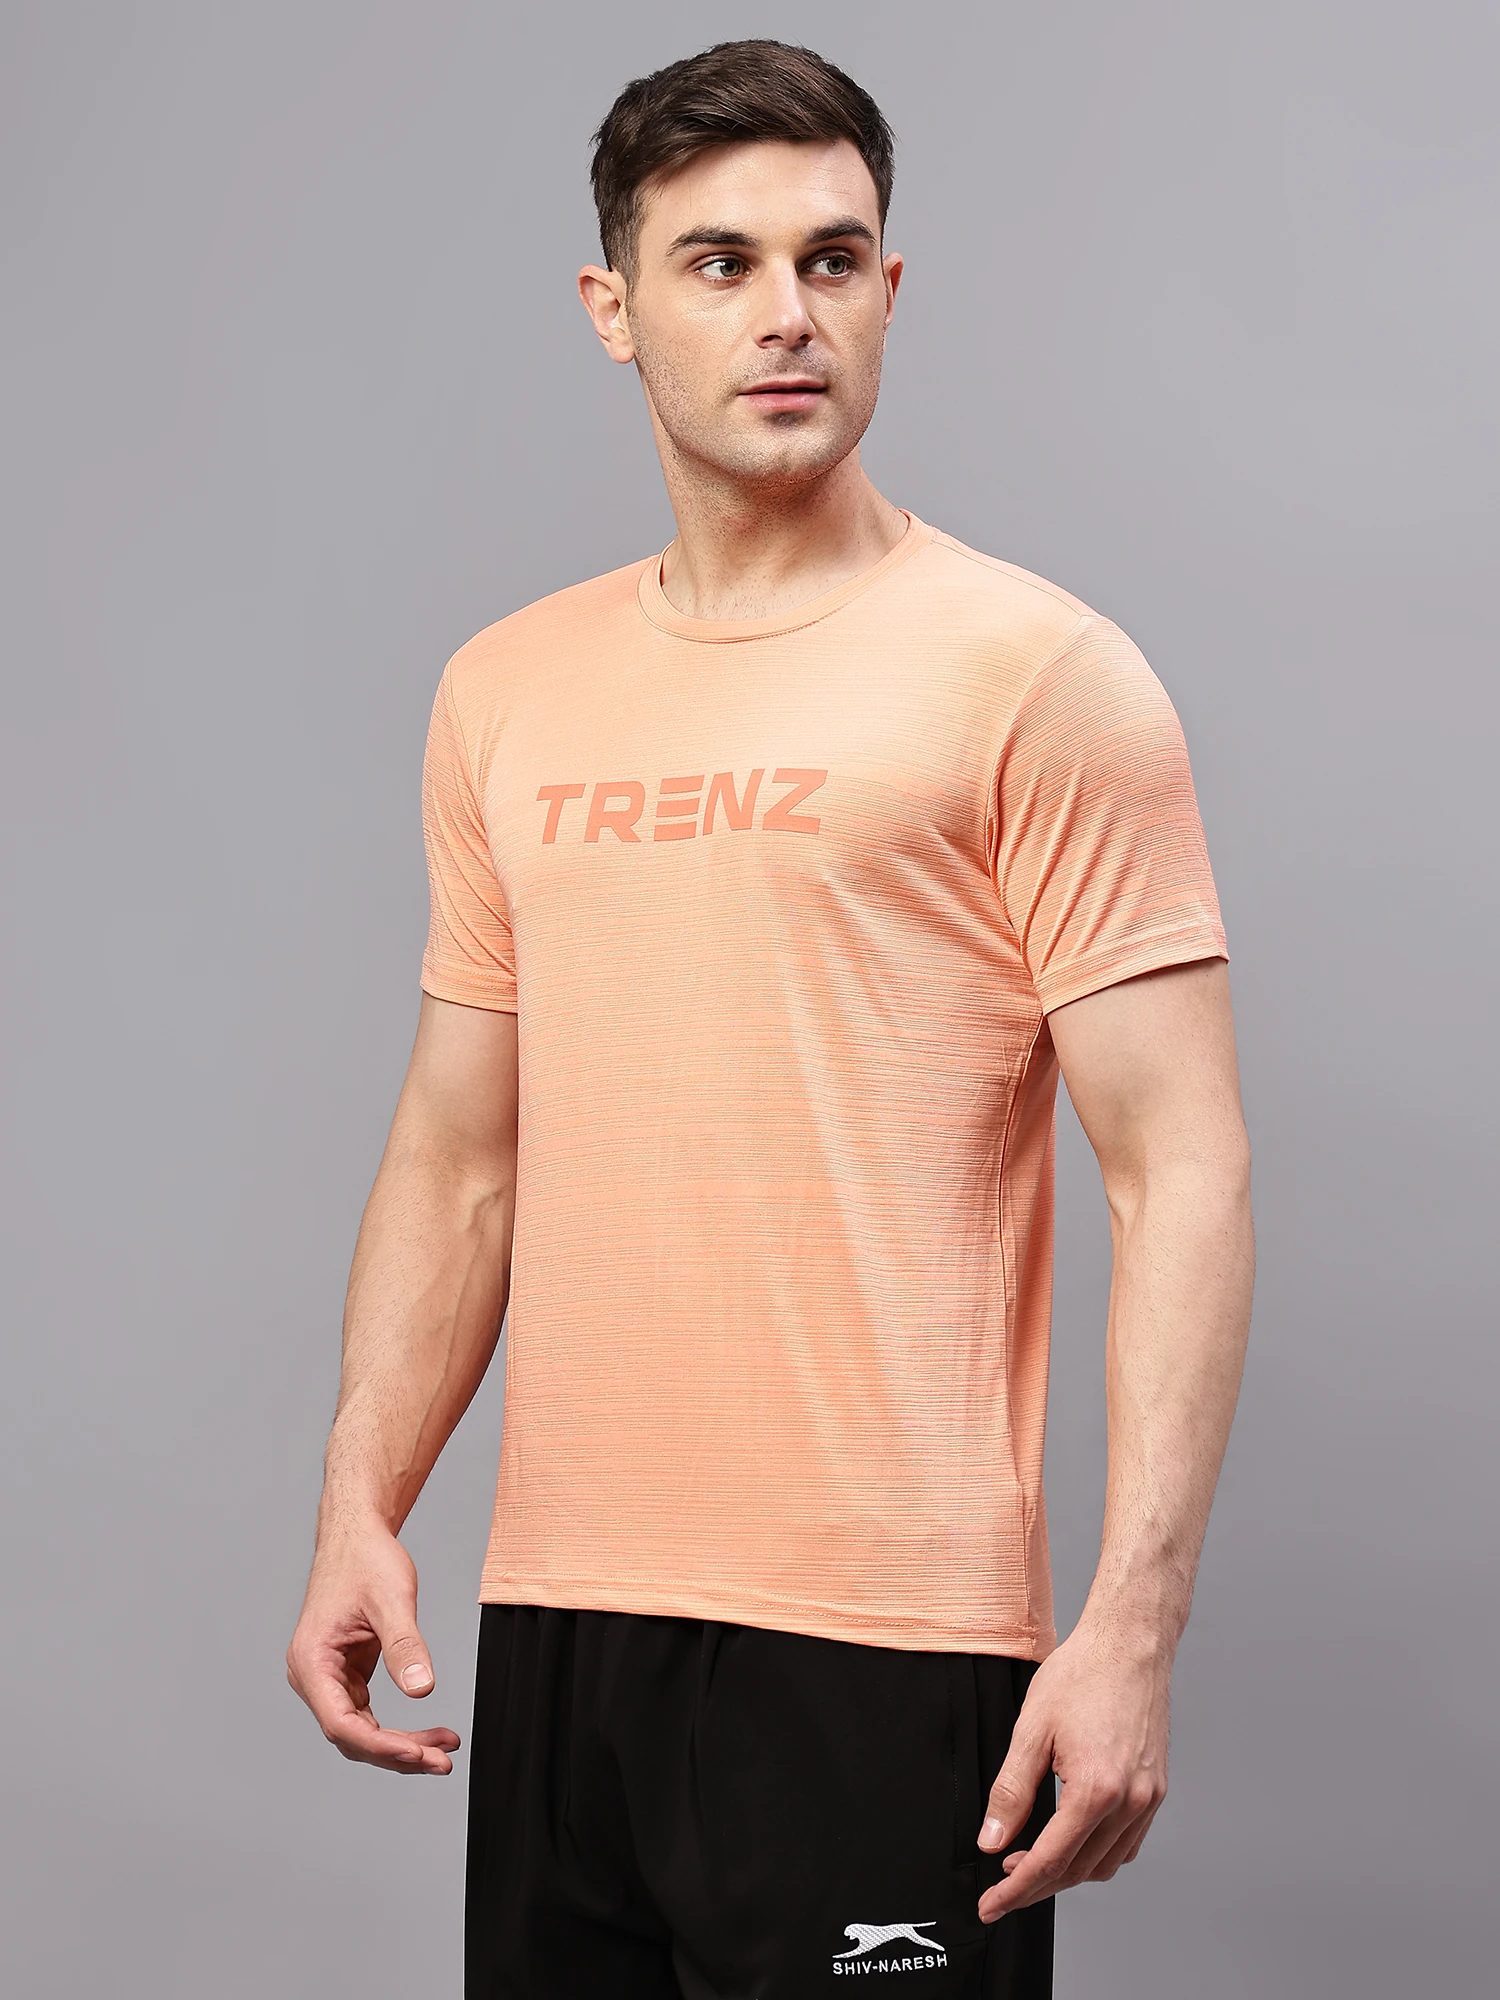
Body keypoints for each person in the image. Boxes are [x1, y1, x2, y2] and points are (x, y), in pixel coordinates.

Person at [285, 37, 1254, 2000]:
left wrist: (1133, 1625)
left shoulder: (1037, 673)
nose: (785, 312)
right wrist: (359, 1501)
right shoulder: (506, 690)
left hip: (885, 1640)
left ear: (890, 290)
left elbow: (1183, 1168)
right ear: (613, 307)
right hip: (565, 1622)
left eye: (830, 259)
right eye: (718, 263)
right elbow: (462, 1156)